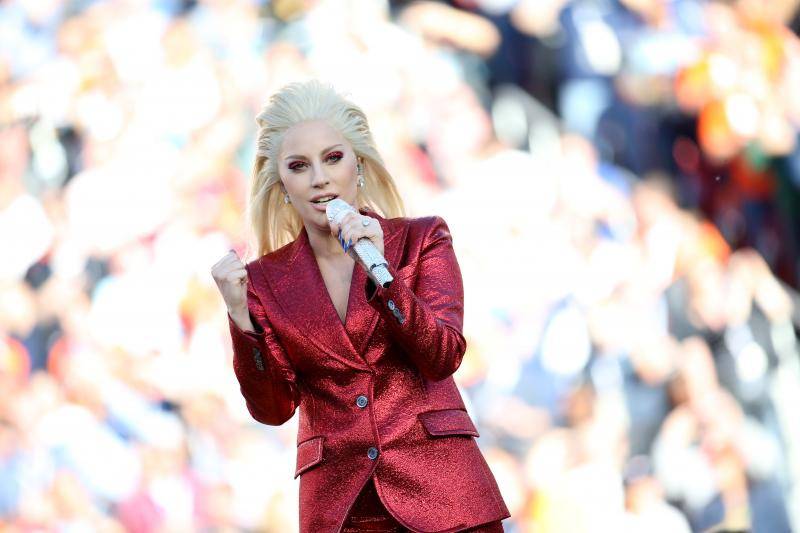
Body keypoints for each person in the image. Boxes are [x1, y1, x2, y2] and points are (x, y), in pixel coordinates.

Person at [211, 80, 510, 533]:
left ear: (359, 165)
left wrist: (383, 275)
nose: (319, 178)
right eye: (299, 166)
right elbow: (272, 409)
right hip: (341, 507)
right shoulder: (264, 281)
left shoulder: (421, 239)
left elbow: (444, 355)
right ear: (282, 185)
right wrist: (240, 319)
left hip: (444, 493)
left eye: (333, 158)